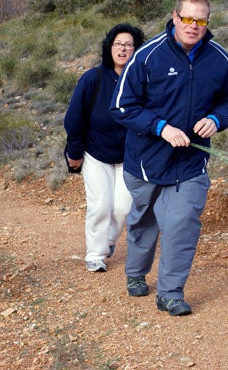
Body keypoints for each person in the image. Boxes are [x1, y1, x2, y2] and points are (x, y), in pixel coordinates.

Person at [110, 0, 228, 316]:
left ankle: (170, 293)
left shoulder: (220, 60)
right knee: (144, 220)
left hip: (191, 162)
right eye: (187, 18)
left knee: (182, 223)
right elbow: (121, 107)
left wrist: (216, 119)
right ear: (175, 17)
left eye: (201, 21)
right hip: (147, 160)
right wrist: (161, 128)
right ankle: (136, 271)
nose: (193, 26)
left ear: (207, 22)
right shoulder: (147, 56)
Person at [64, 23, 144, 273]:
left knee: (122, 207)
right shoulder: (93, 78)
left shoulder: (141, 81)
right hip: (95, 153)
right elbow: (74, 118)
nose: (123, 49)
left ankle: (108, 240)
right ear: (109, 47)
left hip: (129, 155)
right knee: (100, 205)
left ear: (136, 50)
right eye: (118, 44)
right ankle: (95, 254)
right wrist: (74, 152)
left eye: (129, 45)